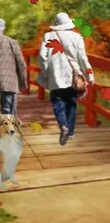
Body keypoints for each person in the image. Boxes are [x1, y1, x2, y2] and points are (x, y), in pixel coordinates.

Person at [37, 12, 95, 146]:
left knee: (58, 101)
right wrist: (90, 76)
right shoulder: (77, 37)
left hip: (55, 76)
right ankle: (70, 132)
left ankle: (63, 125)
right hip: (73, 76)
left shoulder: (48, 36)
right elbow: (83, 58)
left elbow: (41, 57)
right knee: (71, 102)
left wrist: (47, 71)